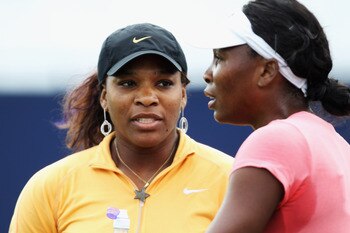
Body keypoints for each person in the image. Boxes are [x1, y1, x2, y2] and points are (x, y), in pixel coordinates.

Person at [9, 23, 234, 233]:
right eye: (128, 83)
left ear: (183, 94)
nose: (147, 98)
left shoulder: (230, 178)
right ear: (104, 97)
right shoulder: (51, 186)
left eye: (164, 83)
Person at [197, 0, 350, 232]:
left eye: (219, 58)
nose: (207, 74)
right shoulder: (336, 144)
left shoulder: (276, 140)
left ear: (267, 71)